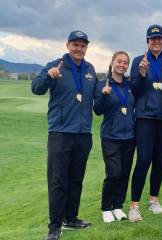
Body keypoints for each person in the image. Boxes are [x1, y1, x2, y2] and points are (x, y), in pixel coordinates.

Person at [31, 31, 97, 240]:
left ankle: (71, 218)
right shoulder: (56, 64)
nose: (79, 49)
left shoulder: (90, 69)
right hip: (60, 132)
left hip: (83, 133)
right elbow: (36, 88)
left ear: (87, 48)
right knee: (58, 180)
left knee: (76, 179)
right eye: (75, 45)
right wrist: (48, 77)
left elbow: (98, 93)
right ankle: (54, 227)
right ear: (68, 45)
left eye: (83, 45)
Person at [128, 24, 162, 222]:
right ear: (147, 41)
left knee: (159, 159)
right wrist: (141, 74)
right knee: (143, 159)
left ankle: (154, 200)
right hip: (145, 118)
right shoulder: (138, 61)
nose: (156, 41)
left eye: (159, 38)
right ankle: (134, 205)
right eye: (152, 38)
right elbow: (135, 90)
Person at [93, 51, 135, 223]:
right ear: (112, 62)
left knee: (124, 173)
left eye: (125, 63)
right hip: (111, 136)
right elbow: (97, 111)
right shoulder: (103, 83)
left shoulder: (130, 85)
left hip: (130, 136)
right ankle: (106, 207)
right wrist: (103, 94)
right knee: (113, 173)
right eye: (119, 61)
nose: (122, 65)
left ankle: (118, 206)